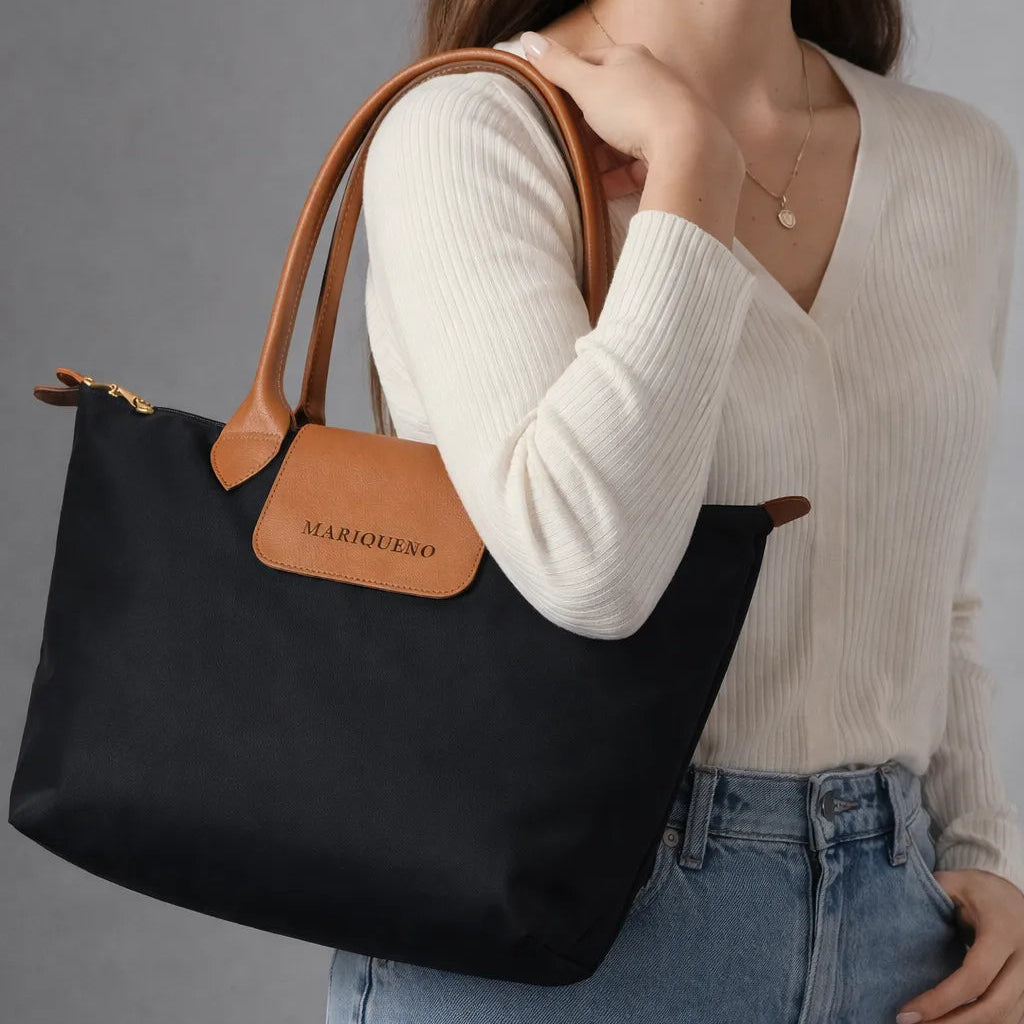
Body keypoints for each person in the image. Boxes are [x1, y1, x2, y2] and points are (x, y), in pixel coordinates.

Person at [327, 1, 1024, 1021]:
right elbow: (588, 565)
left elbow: (930, 592)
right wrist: (693, 176)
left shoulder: (953, 157)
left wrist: (982, 857)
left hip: (897, 938)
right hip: (557, 937)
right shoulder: (476, 126)